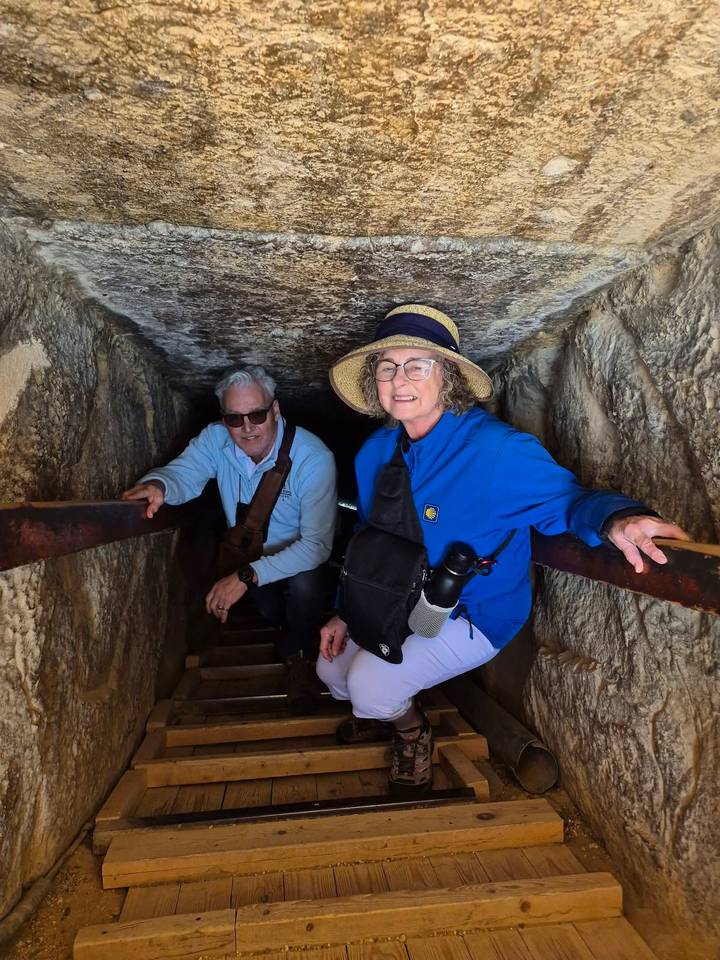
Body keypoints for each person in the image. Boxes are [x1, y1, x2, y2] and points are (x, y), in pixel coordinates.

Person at [318, 303, 689, 795]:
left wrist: (617, 518)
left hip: (473, 612)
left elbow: (567, 499)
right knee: (330, 666)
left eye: (416, 365)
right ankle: (381, 709)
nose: (398, 379)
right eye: (386, 366)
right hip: (394, 596)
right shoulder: (373, 454)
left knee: (367, 683)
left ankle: (409, 730)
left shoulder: (496, 451)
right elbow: (369, 541)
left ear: (447, 376)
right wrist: (345, 610)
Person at [122, 365, 337, 711]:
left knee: (306, 589)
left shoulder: (313, 460)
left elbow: (316, 546)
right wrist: (159, 485)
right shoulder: (215, 439)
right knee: (269, 609)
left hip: (297, 560)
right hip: (250, 556)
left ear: (275, 410)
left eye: (257, 414)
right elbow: (184, 473)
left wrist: (243, 577)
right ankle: (287, 625)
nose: (247, 427)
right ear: (224, 419)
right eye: (235, 419)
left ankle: (298, 654)